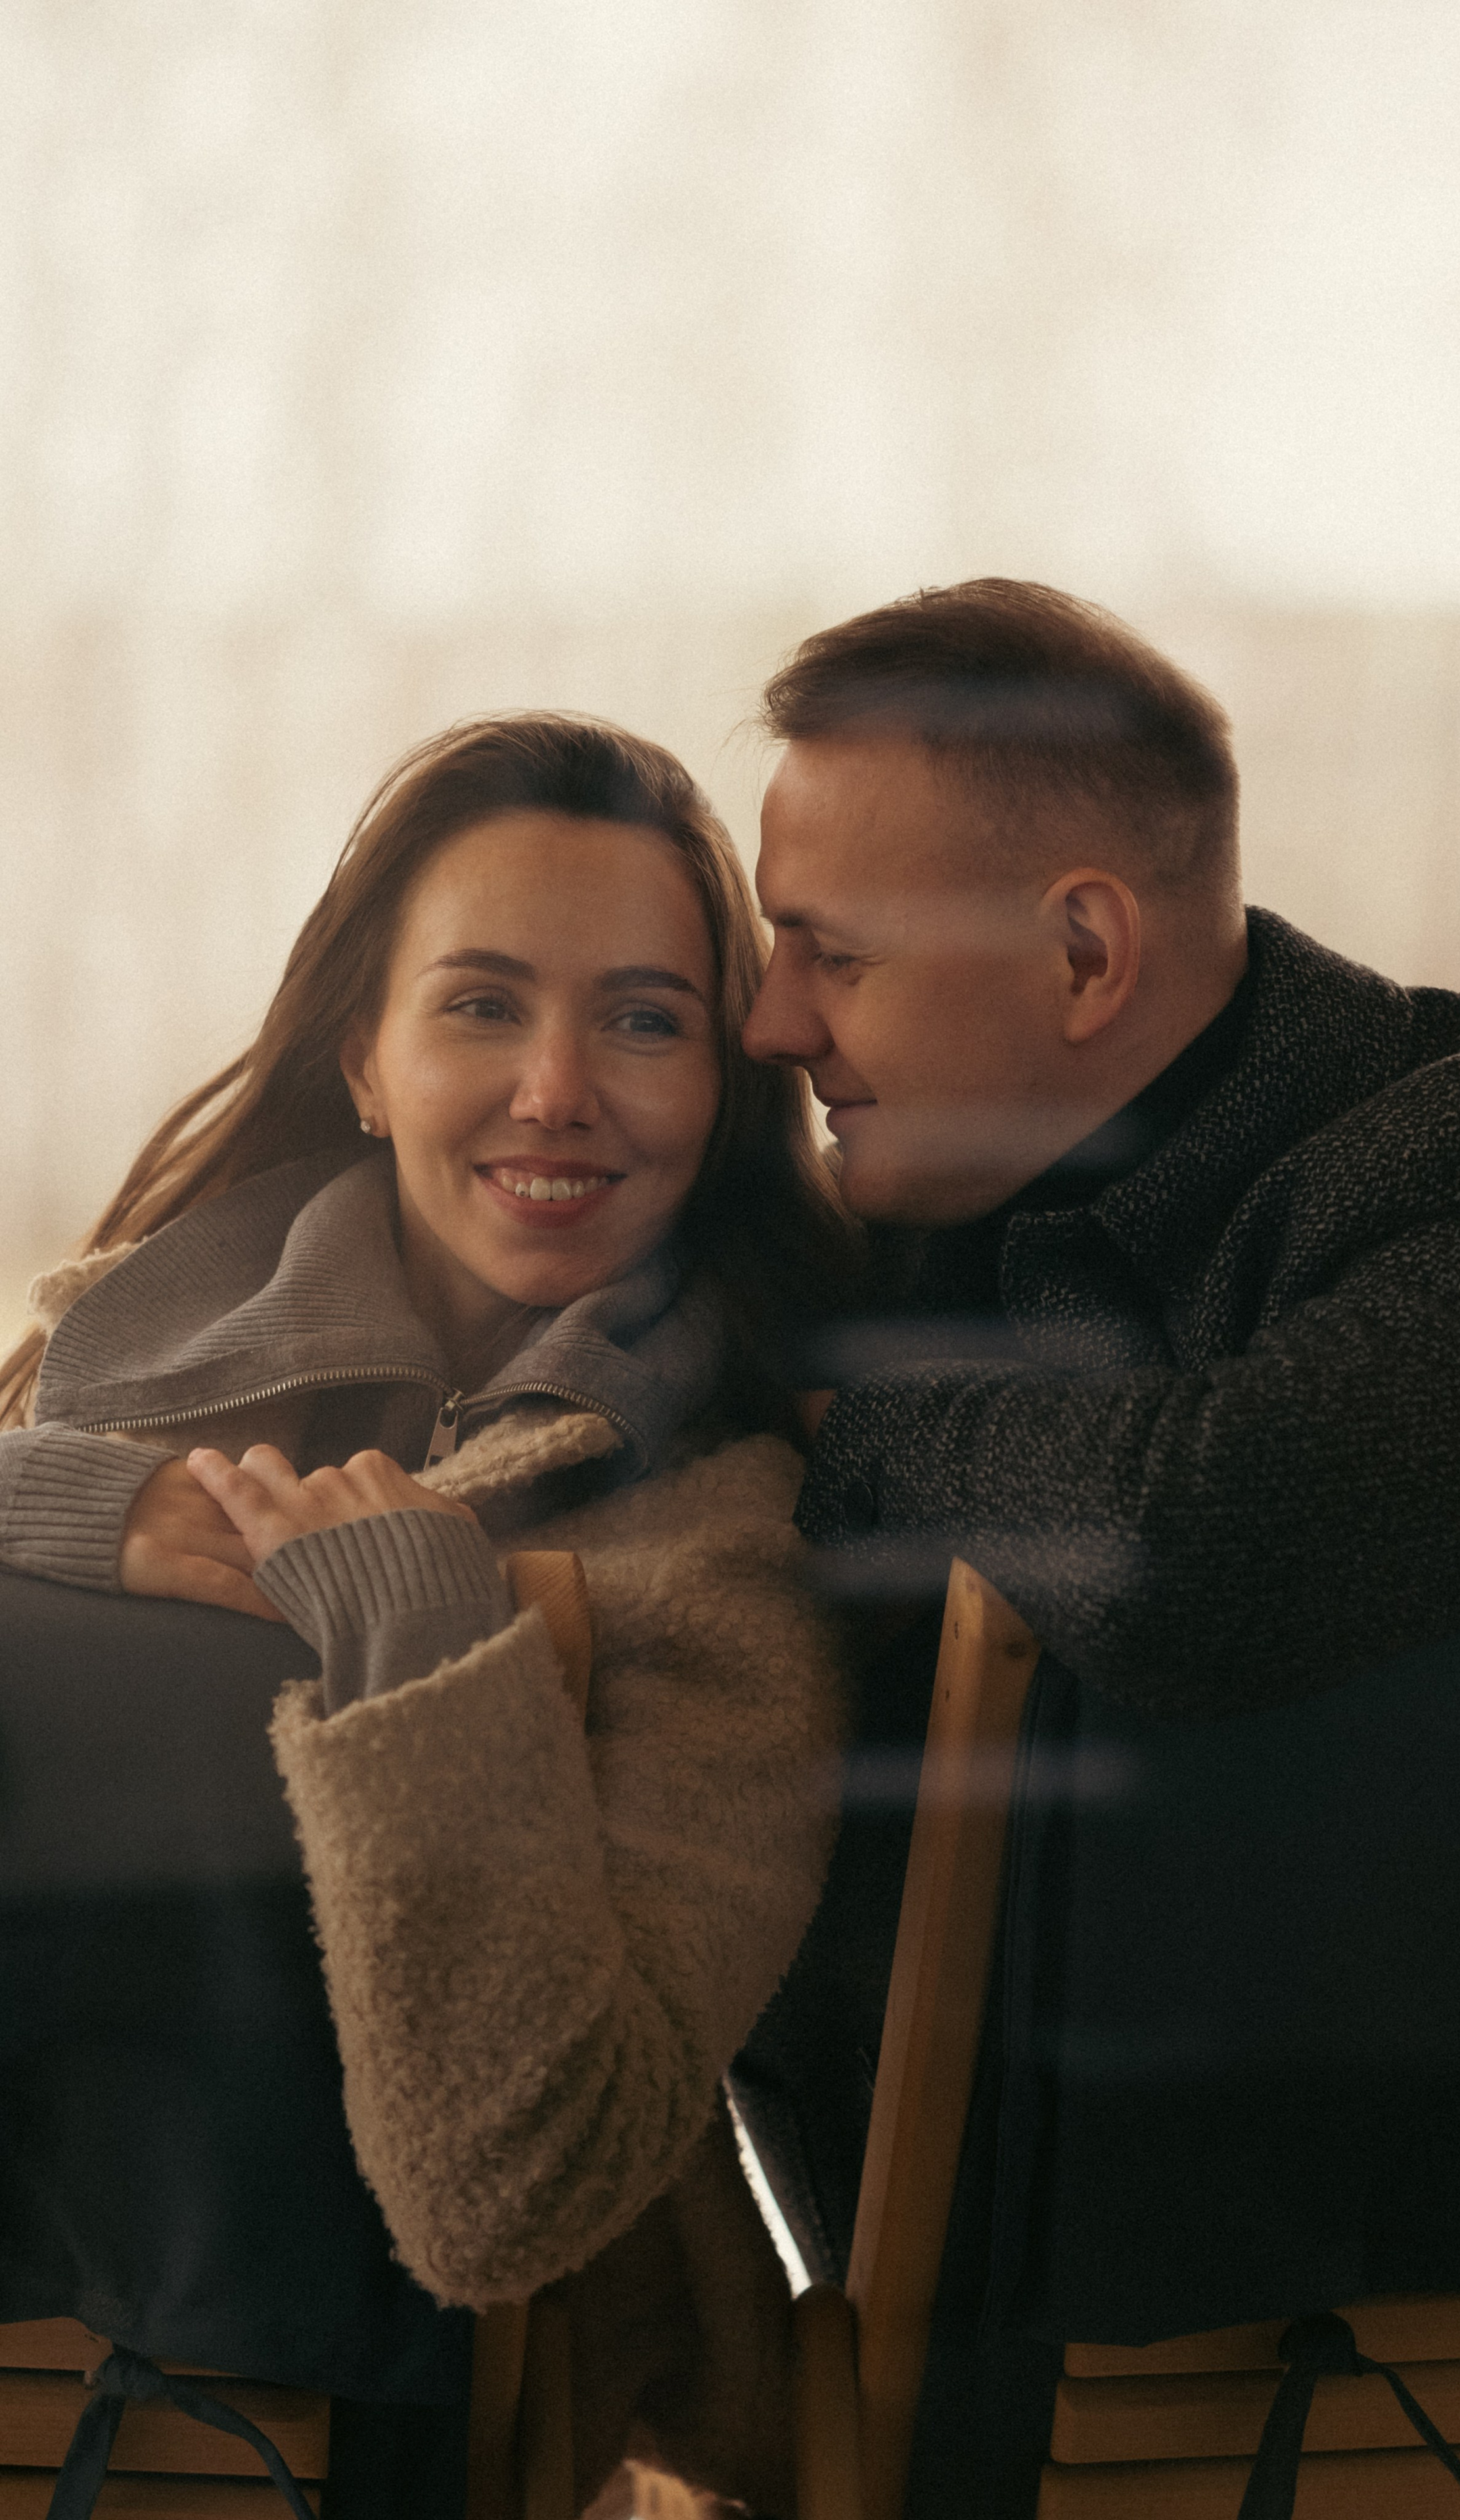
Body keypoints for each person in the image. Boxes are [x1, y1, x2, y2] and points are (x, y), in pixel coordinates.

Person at [730, 577, 1460, 2504]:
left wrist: (864, 1429)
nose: (771, 1020)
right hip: (932, 2384)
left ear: (1086, 949)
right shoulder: (902, 1208)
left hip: (1420, 2411)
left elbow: (1207, 1543)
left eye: (828, 951)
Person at [0, 711, 855, 2513]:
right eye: (481, 1003)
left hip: (372, 2429)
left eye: (644, 1018)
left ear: (724, 1089)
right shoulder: (118, 1347)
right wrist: (92, 1502)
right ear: (365, 1060)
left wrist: (435, 1650)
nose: (560, 1086)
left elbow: (517, 2193)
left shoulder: (722, 1548)